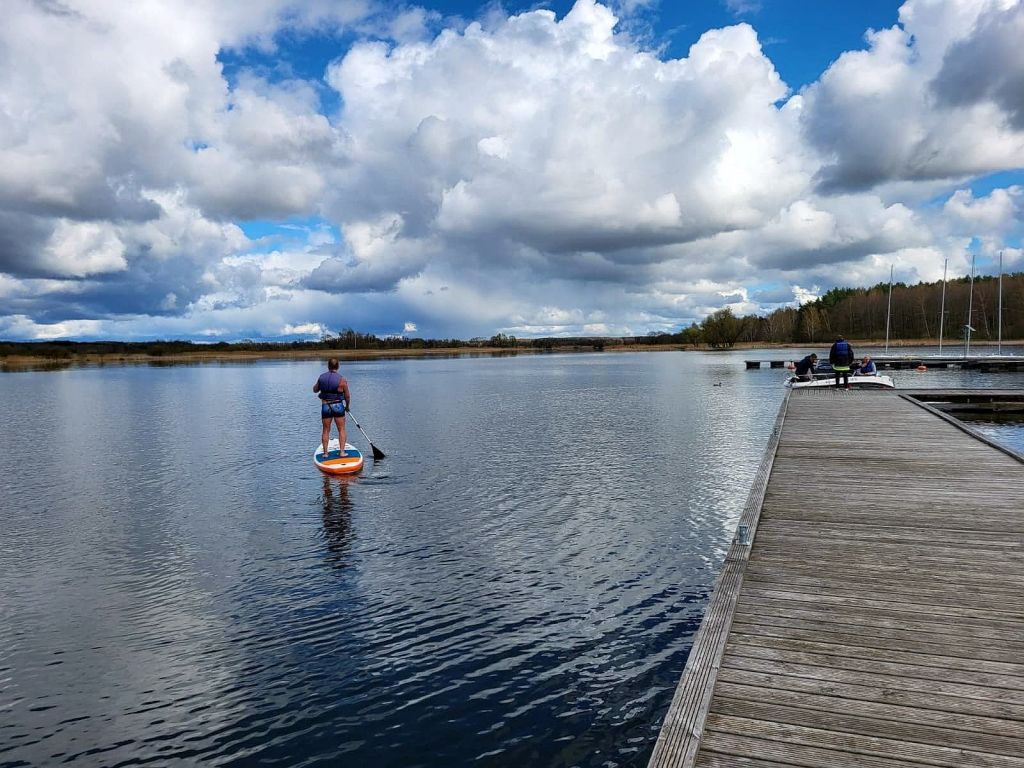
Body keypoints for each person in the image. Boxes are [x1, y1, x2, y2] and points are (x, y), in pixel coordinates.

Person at [314, 358, 351, 458]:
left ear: (328, 366)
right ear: (338, 366)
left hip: (326, 406)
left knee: (326, 430)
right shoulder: (342, 379)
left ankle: (326, 453)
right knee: (341, 429)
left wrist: (322, 385)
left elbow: (315, 390)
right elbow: (347, 396)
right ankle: (342, 452)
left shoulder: (321, 377)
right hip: (338, 406)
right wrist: (347, 406)